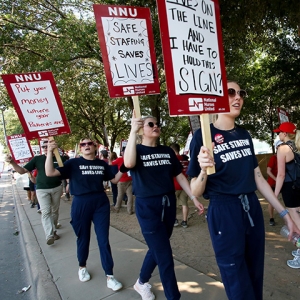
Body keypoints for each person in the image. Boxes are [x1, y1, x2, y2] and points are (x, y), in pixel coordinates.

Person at [187, 81, 300, 300]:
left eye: (241, 93)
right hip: (224, 210)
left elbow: (257, 177)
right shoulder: (204, 135)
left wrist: (285, 214)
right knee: (236, 278)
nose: (237, 97)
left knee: (254, 272)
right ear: (218, 98)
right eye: (230, 93)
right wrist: (202, 169)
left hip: (251, 208)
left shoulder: (244, 135)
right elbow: (195, 189)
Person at [124, 112, 204, 300]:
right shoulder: (135, 149)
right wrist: (132, 132)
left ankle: (141, 282)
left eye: (157, 124)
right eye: (150, 124)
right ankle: (173, 296)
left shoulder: (167, 152)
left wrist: (193, 198)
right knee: (165, 255)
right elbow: (128, 163)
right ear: (142, 128)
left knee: (157, 248)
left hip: (168, 204)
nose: (155, 126)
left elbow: (179, 176)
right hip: (147, 206)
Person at [45, 138, 124, 290]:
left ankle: (110, 275)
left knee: (103, 240)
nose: (86, 146)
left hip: (100, 202)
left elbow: (114, 180)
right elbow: (50, 172)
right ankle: (82, 267)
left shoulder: (102, 164)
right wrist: (49, 152)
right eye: (83, 144)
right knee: (83, 238)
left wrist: (124, 167)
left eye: (89, 144)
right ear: (80, 148)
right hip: (80, 203)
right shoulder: (72, 163)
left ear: (95, 147)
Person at [6, 140, 65, 245]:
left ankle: (54, 228)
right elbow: (21, 171)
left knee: (54, 211)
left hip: (57, 188)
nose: (46, 148)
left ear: (55, 146)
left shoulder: (60, 159)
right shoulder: (37, 159)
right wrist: (12, 162)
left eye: (49, 146)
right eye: (44, 146)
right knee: (46, 212)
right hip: (42, 189)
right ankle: (50, 234)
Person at [170, 143, 190, 228]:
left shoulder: (172, 160)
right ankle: (184, 221)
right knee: (184, 203)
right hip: (185, 186)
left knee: (173, 204)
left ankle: (174, 220)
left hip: (174, 185)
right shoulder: (186, 161)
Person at [112, 147, 134, 214]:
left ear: (122, 152)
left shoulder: (119, 159)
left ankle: (117, 208)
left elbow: (111, 163)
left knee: (120, 195)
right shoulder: (131, 159)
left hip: (122, 180)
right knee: (130, 196)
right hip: (129, 180)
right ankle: (129, 210)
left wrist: (110, 158)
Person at [266, 139, 283, 226]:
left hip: (283, 182)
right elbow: (268, 171)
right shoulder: (274, 158)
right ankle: (271, 218)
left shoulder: (285, 156)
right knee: (272, 200)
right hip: (273, 183)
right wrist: (276, 179)